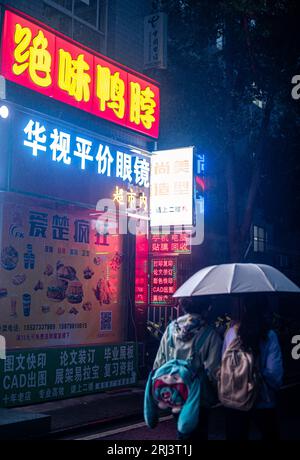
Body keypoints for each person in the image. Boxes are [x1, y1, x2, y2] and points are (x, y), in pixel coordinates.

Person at [152, 298, 222, 441]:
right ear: (206, 308)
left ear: (183, 307)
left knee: (182, 431)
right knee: (199, 433)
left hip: (174, 392)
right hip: (199, 397)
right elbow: (215, 370)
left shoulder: (171, 329)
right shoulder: (210, 334)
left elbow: (159, 363)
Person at [222, 294, 283, 440]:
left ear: (243, 308)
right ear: (264, 309)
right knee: (269, 435)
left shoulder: (231, 333)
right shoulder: (269, 335)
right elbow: (274, 372)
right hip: (263, 397)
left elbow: (224, 361)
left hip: (235, 397)